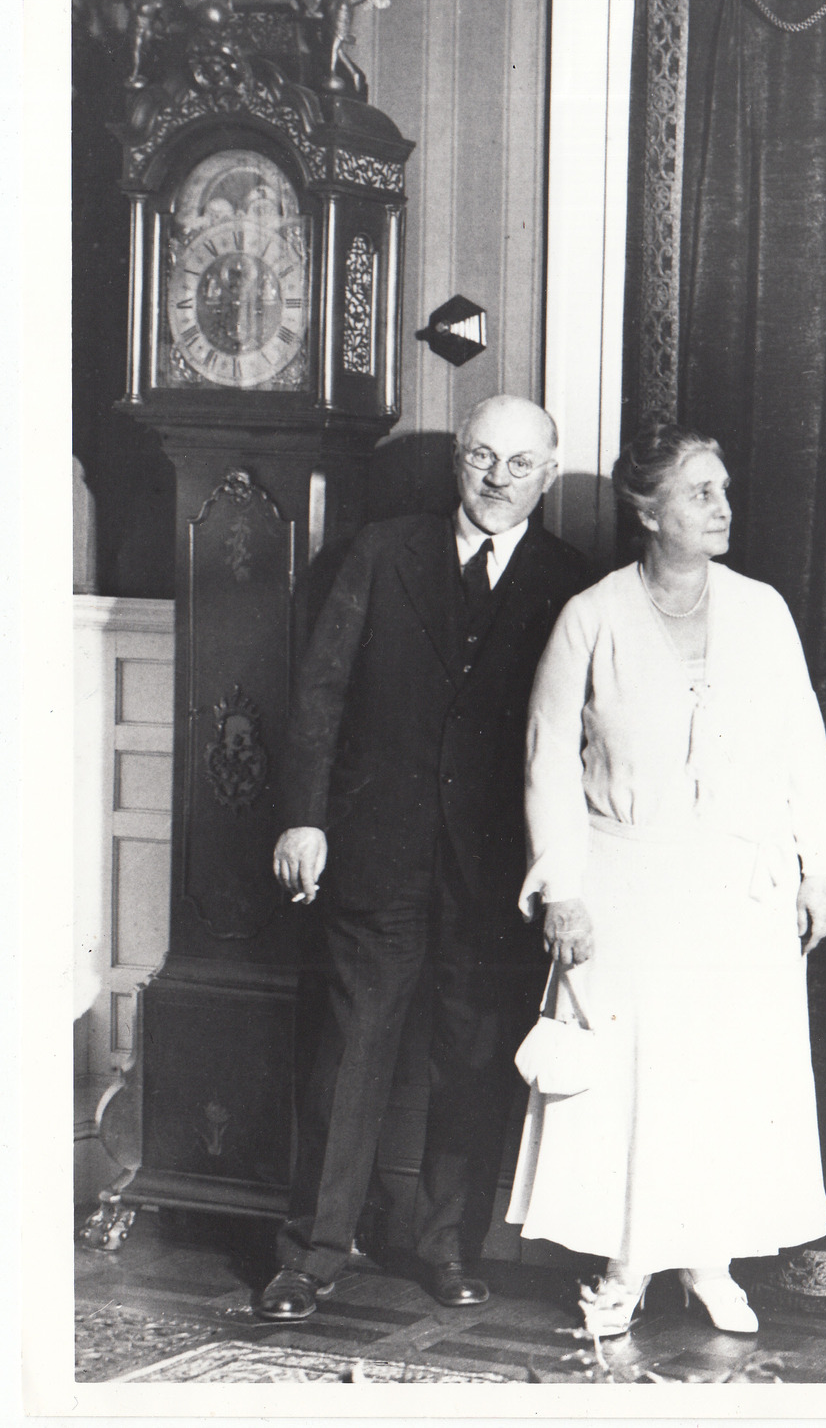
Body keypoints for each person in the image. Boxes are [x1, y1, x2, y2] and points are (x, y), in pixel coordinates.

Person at [504, 417, 826, 1339]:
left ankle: (709, 1260)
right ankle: (624, 1267)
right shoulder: (593, 616)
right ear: (648, 511)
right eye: (701, 492)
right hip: (626, 880)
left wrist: (818, 867)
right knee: (634, 1080)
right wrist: (561, 886)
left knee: (722, 1076)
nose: (723, 507)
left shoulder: (763, 611)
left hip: (739, 887)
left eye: (723, 491)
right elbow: (547, 761)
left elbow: (801, 745)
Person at [260, 395, 595, 1322]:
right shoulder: (380, 550)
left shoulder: (574, 581)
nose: (497, 478)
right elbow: (320, 688)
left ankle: (448, 1244)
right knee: (351, 1053)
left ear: (549, 473)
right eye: (483, 456)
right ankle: (312, 1254)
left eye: (520, 464)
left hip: (496, 871)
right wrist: (305, 817)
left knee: (474, 1058)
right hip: (378, 854)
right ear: (458, 460)